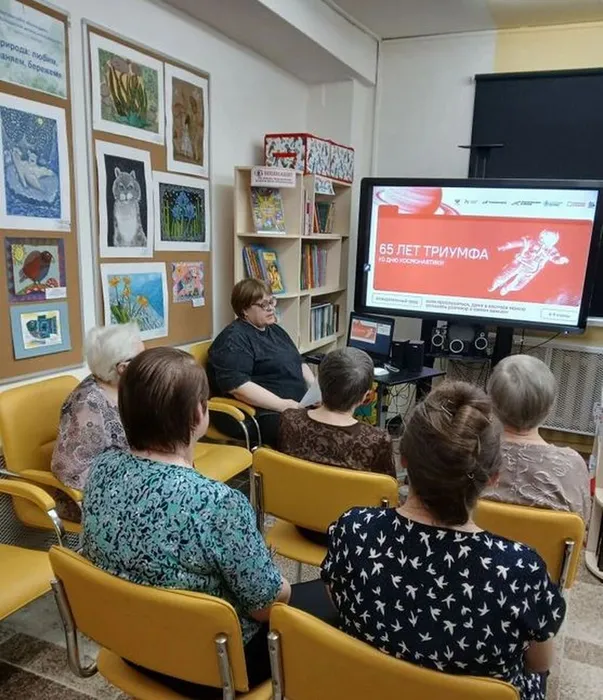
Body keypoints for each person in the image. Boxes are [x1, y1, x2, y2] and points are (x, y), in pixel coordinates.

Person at [82, 347, 333, 695]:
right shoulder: (219, 504)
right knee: (335, 594)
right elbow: (266, 606)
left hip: (131, 645)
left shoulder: (100, 470)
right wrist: (278, 580)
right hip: (214, 667)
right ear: (199, 413)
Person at [321, 381, 565, 700]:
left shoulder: (354, 529)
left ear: (403, 460)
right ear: (492, 478)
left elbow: (337, 601)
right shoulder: (521, 570)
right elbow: (540, 663)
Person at [50, 323, 143, 522]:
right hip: (90, 496)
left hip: (130, 479)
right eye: (143, 358)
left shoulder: (127, 388)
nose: (148, 364)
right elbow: (70, 470)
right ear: (123, 368)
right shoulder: (87, 403)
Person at [484, 354, 591, 523]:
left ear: (490, 404)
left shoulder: (471, 457)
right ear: (550, 408)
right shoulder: (572, 465)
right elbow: (582, 525)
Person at [207, 279, 314, 446]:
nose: (271, 308)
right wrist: (283, 405)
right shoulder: (233, 339)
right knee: (314, 435)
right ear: (244, 310)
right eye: (264, 304)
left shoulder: (275, 330)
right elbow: (238, 387)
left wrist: (315, 391)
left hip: (296, 404)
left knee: (333, 419)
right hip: (260, 411)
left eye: (272, 301)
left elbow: (298, 361)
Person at [278, 347, 395, 479]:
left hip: (296, 491)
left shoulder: (290, 419)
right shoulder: (377, 440)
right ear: (365, 396)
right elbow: (387, 487)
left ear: (319, 384)